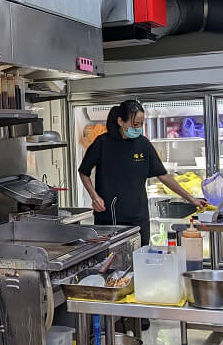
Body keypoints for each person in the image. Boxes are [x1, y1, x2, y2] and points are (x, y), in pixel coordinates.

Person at [78, 99, 203, 246]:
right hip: (110, 217)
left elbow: (163, 175)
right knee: (112, 262)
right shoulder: (103, 143)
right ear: (120, 121)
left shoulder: (143, 144)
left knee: (140, 257)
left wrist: (191, 199)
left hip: (139, 217)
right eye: (135, 124)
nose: (138, 128)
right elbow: (83, 171)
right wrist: (94, 197)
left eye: (141, 124)